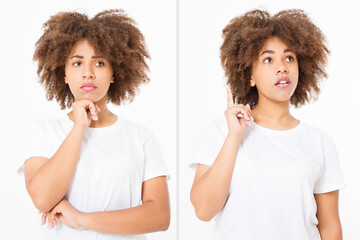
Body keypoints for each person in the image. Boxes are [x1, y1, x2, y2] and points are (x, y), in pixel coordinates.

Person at [190, 9, 345, 240]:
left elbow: (330, 227)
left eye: (289, 58)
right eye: (268, 59)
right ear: (249, 76)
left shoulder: (320, 142)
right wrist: (234, 137)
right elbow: (203, 210)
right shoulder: (221, 130)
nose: (282, 67)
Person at [18, 9, 170, 239]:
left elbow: (160, 217)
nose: (88, 73)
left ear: (113, 74)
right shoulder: (43, 131)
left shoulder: (141, 136)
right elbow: (42, 198)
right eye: (77, 63)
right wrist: (79, 127)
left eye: (99, 63)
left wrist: (81, 219)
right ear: (64, 74)